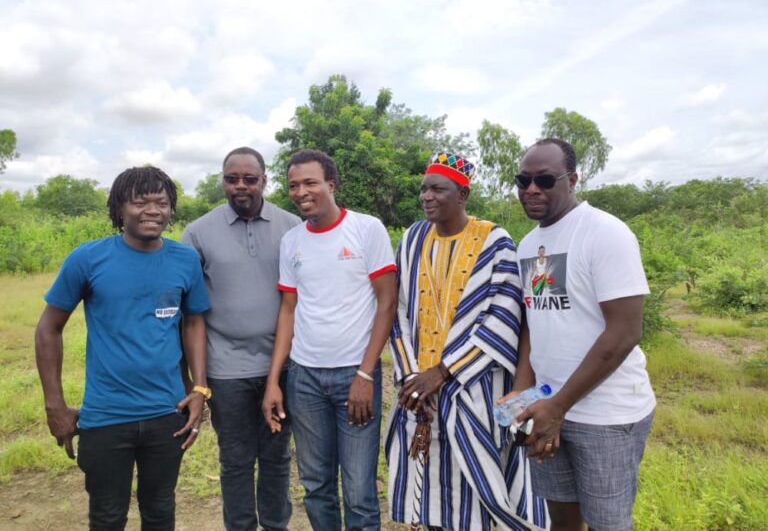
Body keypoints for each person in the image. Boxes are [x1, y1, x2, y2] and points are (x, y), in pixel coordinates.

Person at [35, 166, 210, 530]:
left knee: (160, 511)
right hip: (106, 416)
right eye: (140, 202)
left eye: (161, 202)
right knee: (107, 516)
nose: (152, 210)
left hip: (168, 414)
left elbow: (193, 323)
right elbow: (49, 329)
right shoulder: (87, 259)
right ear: (119, 208)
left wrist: (199, 388)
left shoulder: (185, 260)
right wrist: (54, 405)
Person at [385, 153, 547, 531]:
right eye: (424, 189)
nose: (426, 196)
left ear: (462, 194)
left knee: (475, 483)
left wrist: (443, 372)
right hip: (419, 388)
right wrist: (412, 378)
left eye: (437, 189)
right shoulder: (411, 240)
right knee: (429, 487)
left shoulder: (494, 241)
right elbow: (398, 311)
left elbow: (503, 315)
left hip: (473, 386)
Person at [507, 138, 655, 531]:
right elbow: (534, 319)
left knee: (608, 524)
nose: (531, 189)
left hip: (606, 415)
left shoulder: (605, 233)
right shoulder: (528, 245)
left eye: (545, 180)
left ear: (572, 180)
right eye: (523, 180)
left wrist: (559, 407)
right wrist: (523, 393)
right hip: (546, 408)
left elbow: (625, 331)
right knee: (562, 520)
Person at [261, 149, 397, 531]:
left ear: (332, 185)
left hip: (355, 375)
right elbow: (288, 310)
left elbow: (387, 302)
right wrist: (274, 381)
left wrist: (365, 374)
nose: (301, 192)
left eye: (310, 182)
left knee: (358, 490)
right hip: (304, 379)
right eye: (293, 185)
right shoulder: (291, 241)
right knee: (316, 485)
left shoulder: (366, 229)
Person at [182, 147, 301, 531]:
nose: (240, 186)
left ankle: (276, 525)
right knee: (235, 459)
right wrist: (197, 381)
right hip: (225, 368)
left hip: (281, 366)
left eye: (250, 179)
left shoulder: (292, 227)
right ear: (223, 181)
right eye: (232, 179)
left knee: (277, 455)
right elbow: (190, 312)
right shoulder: (198, 232)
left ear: (264, 181)